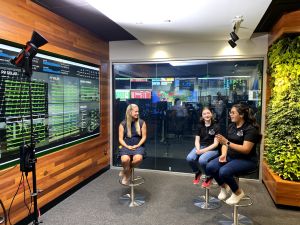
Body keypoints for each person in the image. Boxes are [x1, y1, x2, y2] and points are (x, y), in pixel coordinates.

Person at [206, 103, 260, 205]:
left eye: (233, 113)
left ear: (241, 115)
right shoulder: (231, 126)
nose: (230, 114)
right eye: (230, 112)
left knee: (224, 171)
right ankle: (224, 187)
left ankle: (238, 192)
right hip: (231, 157)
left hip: (247, 160)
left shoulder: (250, 129)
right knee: (210, 167)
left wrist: (226, 142)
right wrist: (223, 154)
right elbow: (224, 144)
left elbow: (246, 149)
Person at [186, 107, 220, 187]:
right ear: (202, 115)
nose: (206, 115)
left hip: (212, 149)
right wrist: (198, 149)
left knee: (202, 160)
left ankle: (209, 176)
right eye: (204, 114)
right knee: (189, 158)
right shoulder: (199, 126)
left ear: (211, 114)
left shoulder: (216, 126)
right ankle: (197, 172)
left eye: (208, 113)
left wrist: (202, 151)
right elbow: (197, 140)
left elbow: (215, 144)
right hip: (201, 146)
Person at [118, 104, 147, 185]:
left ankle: (126, 171)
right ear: (130, 112)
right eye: (135, 111)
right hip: (126, 145)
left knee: (138, 159)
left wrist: (137, 145)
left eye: (138, 111)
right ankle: (127, 173)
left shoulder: (142, 123)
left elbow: (144, 137)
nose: (137, 113)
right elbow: (120, 139)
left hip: (138, 145)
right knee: (125, 160)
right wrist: (127, 146)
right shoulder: (122, 124)